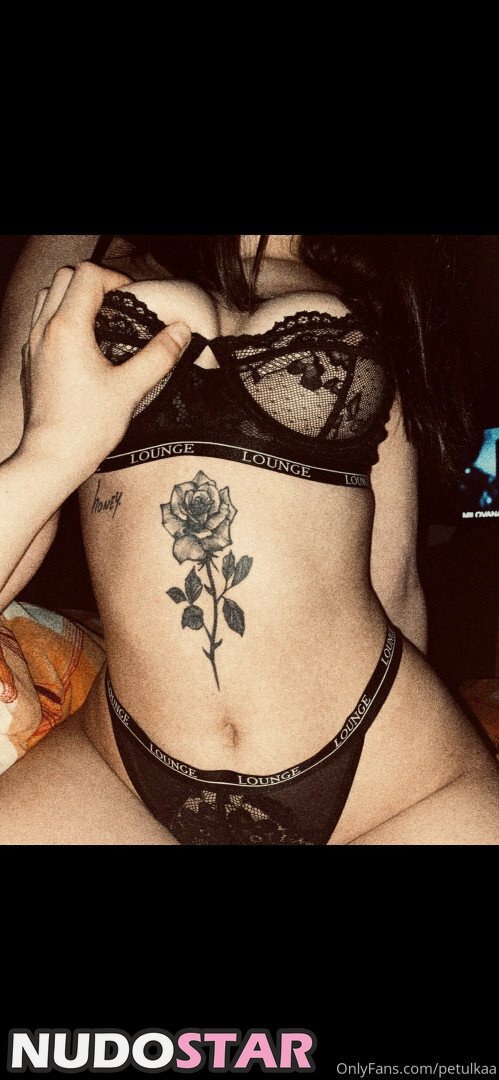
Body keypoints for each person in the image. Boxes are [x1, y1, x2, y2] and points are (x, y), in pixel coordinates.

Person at [0, 234, 498, 846]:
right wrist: (54, 449)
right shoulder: (81, 246)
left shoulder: (377, 292)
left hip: (387, 775)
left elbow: (391, 579)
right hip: (121, 771)